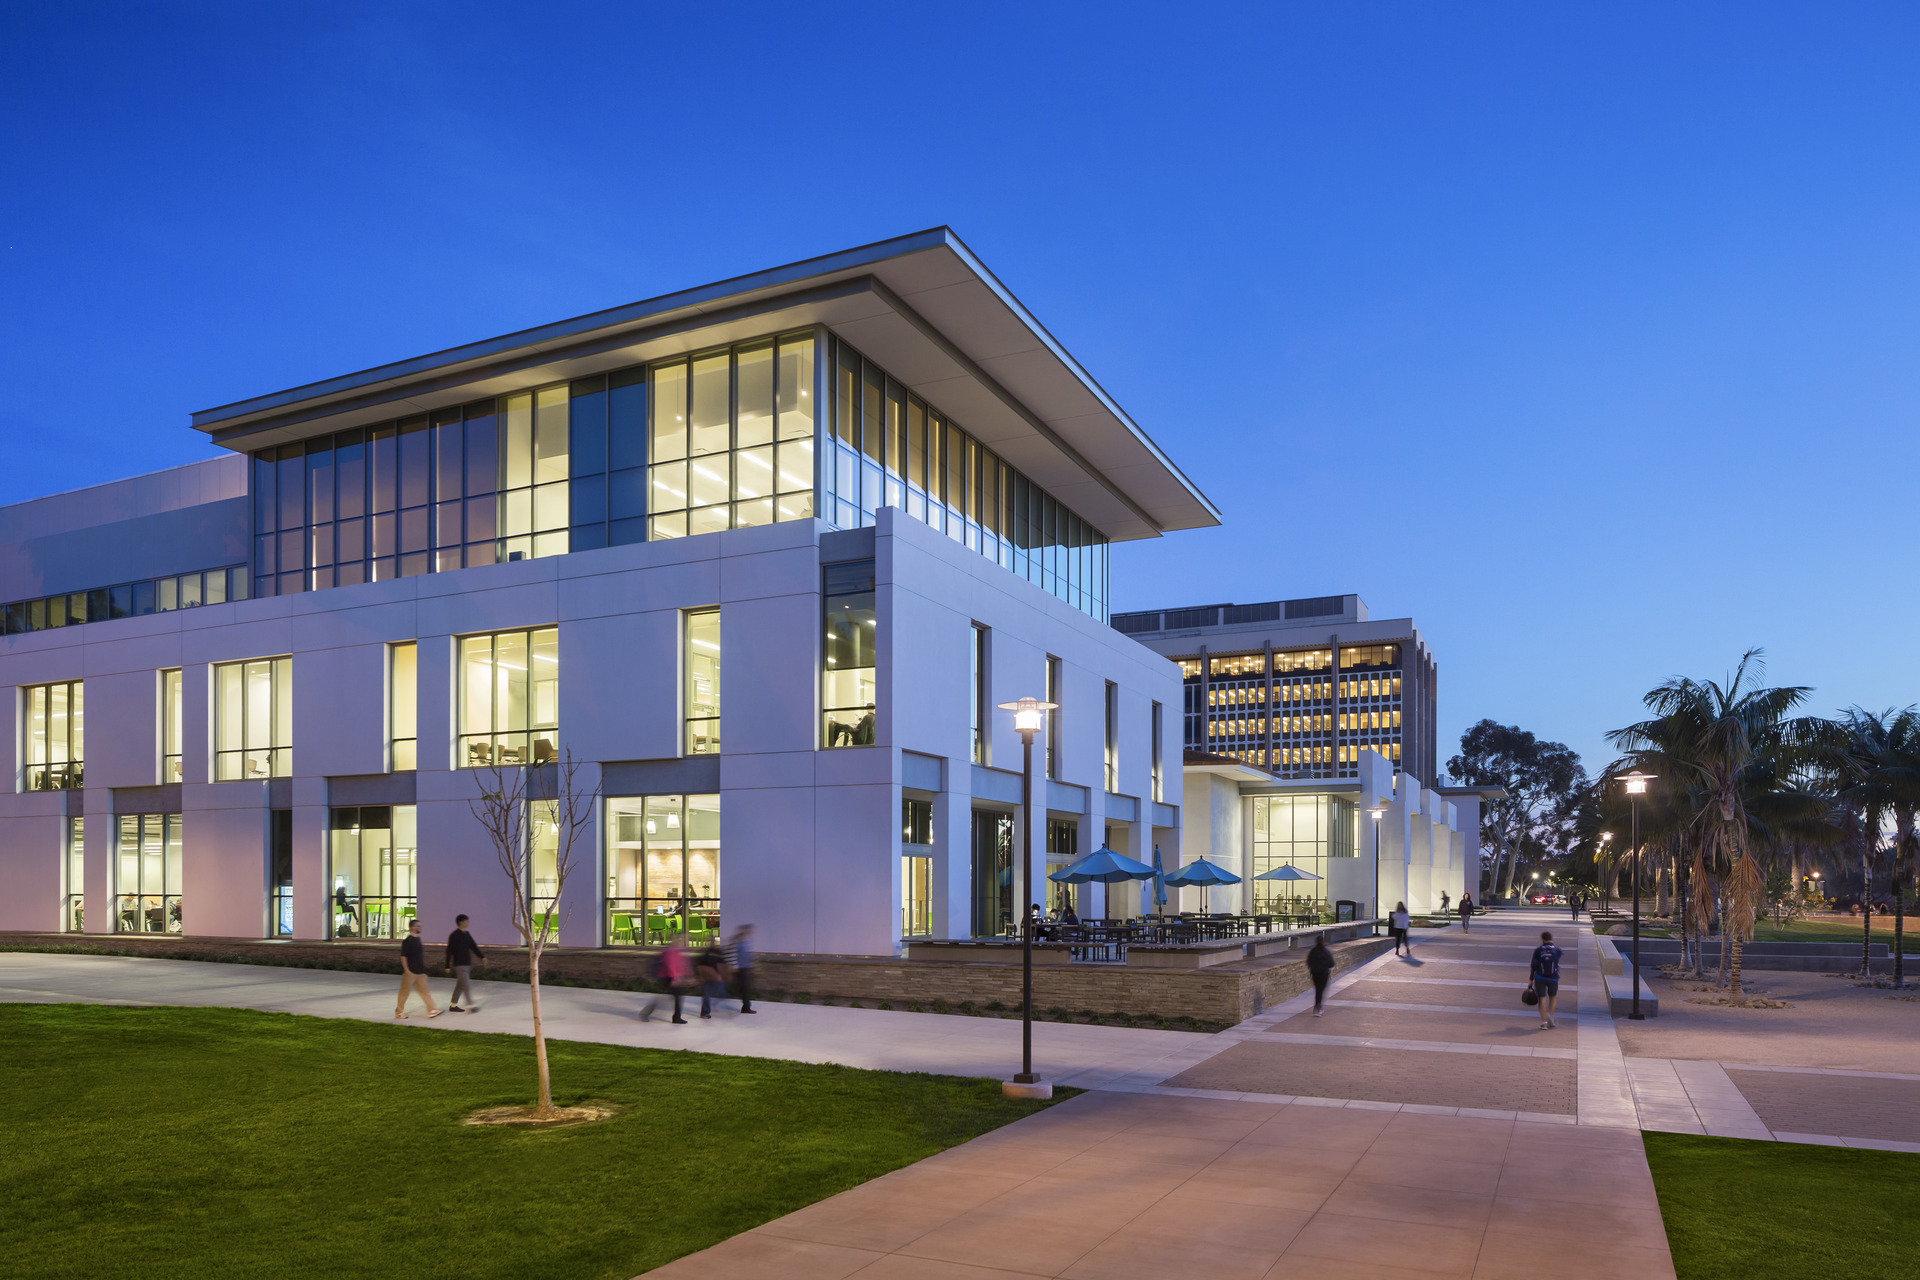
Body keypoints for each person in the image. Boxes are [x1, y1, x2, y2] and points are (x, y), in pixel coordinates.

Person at [395, 919, 441, 1019]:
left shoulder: (418, 939)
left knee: (425, 992)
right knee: (404, 993)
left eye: (420, 926)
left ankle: (431, 1010)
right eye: (418, 926)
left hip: (420, 972)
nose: (420, 928)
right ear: (412, 927)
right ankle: (399, 1012)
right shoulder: (408, 941)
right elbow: (403, 956)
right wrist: (407, 970)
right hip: (410, 972)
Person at [642, 937, 692, 1024]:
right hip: (668, 977)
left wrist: (687, 976)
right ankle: (676, 1018)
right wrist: (675, 978)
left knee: (670, 998)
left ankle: (646, 1013)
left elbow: (682, 964)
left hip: (673, 977)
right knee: (676, 997)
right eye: (680, 940)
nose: (682, 942)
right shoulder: (670, 951)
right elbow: (670, 965)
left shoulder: (677, 951)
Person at [445, 914, 484, 1013]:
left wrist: (482, 957)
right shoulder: (454, 935)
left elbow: (473, 947)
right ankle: (470, 1006)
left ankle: (453, 1006)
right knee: (466, 984)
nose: (468, 923)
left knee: (460, 985)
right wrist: (447, 965)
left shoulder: (467, 934)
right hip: (459, 964)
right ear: (461, 922)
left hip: (466, 964)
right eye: (467, 921)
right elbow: (449, 951)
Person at [1530, 929, 1564, 1029]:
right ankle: (1551, 1016)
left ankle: (1544, 1022)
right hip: (1553, 978)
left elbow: (1533, 965)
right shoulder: (1557, 950)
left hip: (1540, 977)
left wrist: (1531, 978)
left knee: (1542, 999)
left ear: (1542, 939)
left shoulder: (1538, 950)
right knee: (1553, 997)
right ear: (1551, 939)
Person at [726, 923, 757, 1014]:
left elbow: (749, 953)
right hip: (740, 968)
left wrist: (752, 964)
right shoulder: (736, 941)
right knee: (743, 988)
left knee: (745, 988)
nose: (747, 932)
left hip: (746, 967)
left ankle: (746, 1006)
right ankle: (746, 1006)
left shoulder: (747, 940)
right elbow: (731, 953)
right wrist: (734, 966)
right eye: (745, 930)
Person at [695, 940, 730, 1019]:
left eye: (713, 942)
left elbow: (722, 964)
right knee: (706, 995)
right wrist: (700, 975)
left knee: (721, 993)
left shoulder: (718, 952)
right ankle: (705, 1013)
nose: (712, 943)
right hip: (707, 977)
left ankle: (712, 1006)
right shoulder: (705, 952)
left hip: (717, 976)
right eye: (711, 942)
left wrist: (722, 974)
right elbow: (700, 964)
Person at [1306, 935, 1335, 1017]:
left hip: (1315, 973)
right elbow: (1331, 963)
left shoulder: (1313, 951)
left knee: (1318, 990)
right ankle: (1318, 1007)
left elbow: (1308, 962)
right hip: (1324, 973)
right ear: (1323, 942)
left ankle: (1317, 1006)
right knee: (1321, 990)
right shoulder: (1326, 952)